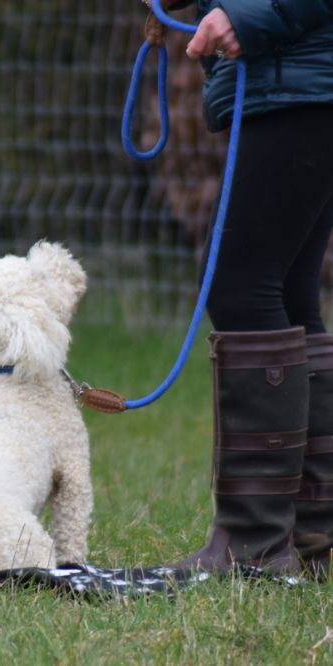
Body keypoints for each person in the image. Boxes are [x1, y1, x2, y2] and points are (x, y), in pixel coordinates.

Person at [144, 0, 333, 577]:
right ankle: (313, 537)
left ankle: (254, 545)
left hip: (303, 79)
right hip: (304, 78)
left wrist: (248, 17)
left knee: (240, 286)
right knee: (288, 293)